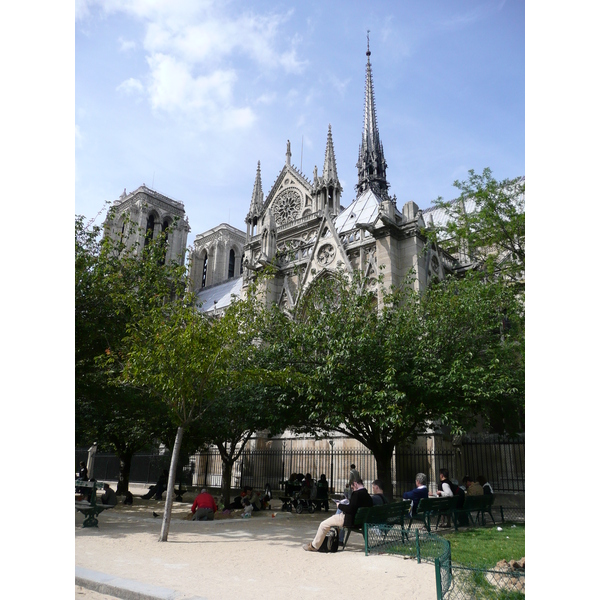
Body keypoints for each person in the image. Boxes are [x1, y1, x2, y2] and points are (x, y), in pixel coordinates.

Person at [303, 478, 372, 551]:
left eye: (352, 488)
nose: (353, 490)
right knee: (334, 517)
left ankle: (314, 546)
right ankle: (335, 540)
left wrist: (339, 505)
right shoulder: (368, 496)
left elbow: (350, 509)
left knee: (323, 524)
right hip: (360, 521)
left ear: (355, 484)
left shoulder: (356, 494)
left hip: (349, 520)